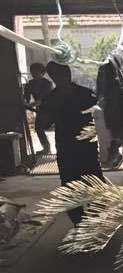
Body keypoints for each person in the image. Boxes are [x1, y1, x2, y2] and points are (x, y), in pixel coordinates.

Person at [42, 61, 104, 225]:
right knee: (70, 186)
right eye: (55, 75)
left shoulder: (86, 94)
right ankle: (79, 222)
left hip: (86, 147)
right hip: (66, 147)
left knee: (94, 183)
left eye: (61, 74)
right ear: (53, 77)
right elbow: (43, 123)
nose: (59, 78)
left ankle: (96, 221)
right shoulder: (51, 98)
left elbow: (101, 117)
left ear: (68, 74)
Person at [22, 61, 54, 153]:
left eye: (36, 71)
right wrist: (24, 102)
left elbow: (41, 100)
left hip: (51, 109)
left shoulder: (48, 84)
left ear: (42, 73)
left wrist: (28, 106)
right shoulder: (30, 84)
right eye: (32, 71)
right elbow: (26, 97)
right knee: (38, 128)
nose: (33, 73)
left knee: (59, 128)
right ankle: (47, 148)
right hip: (40, 110)